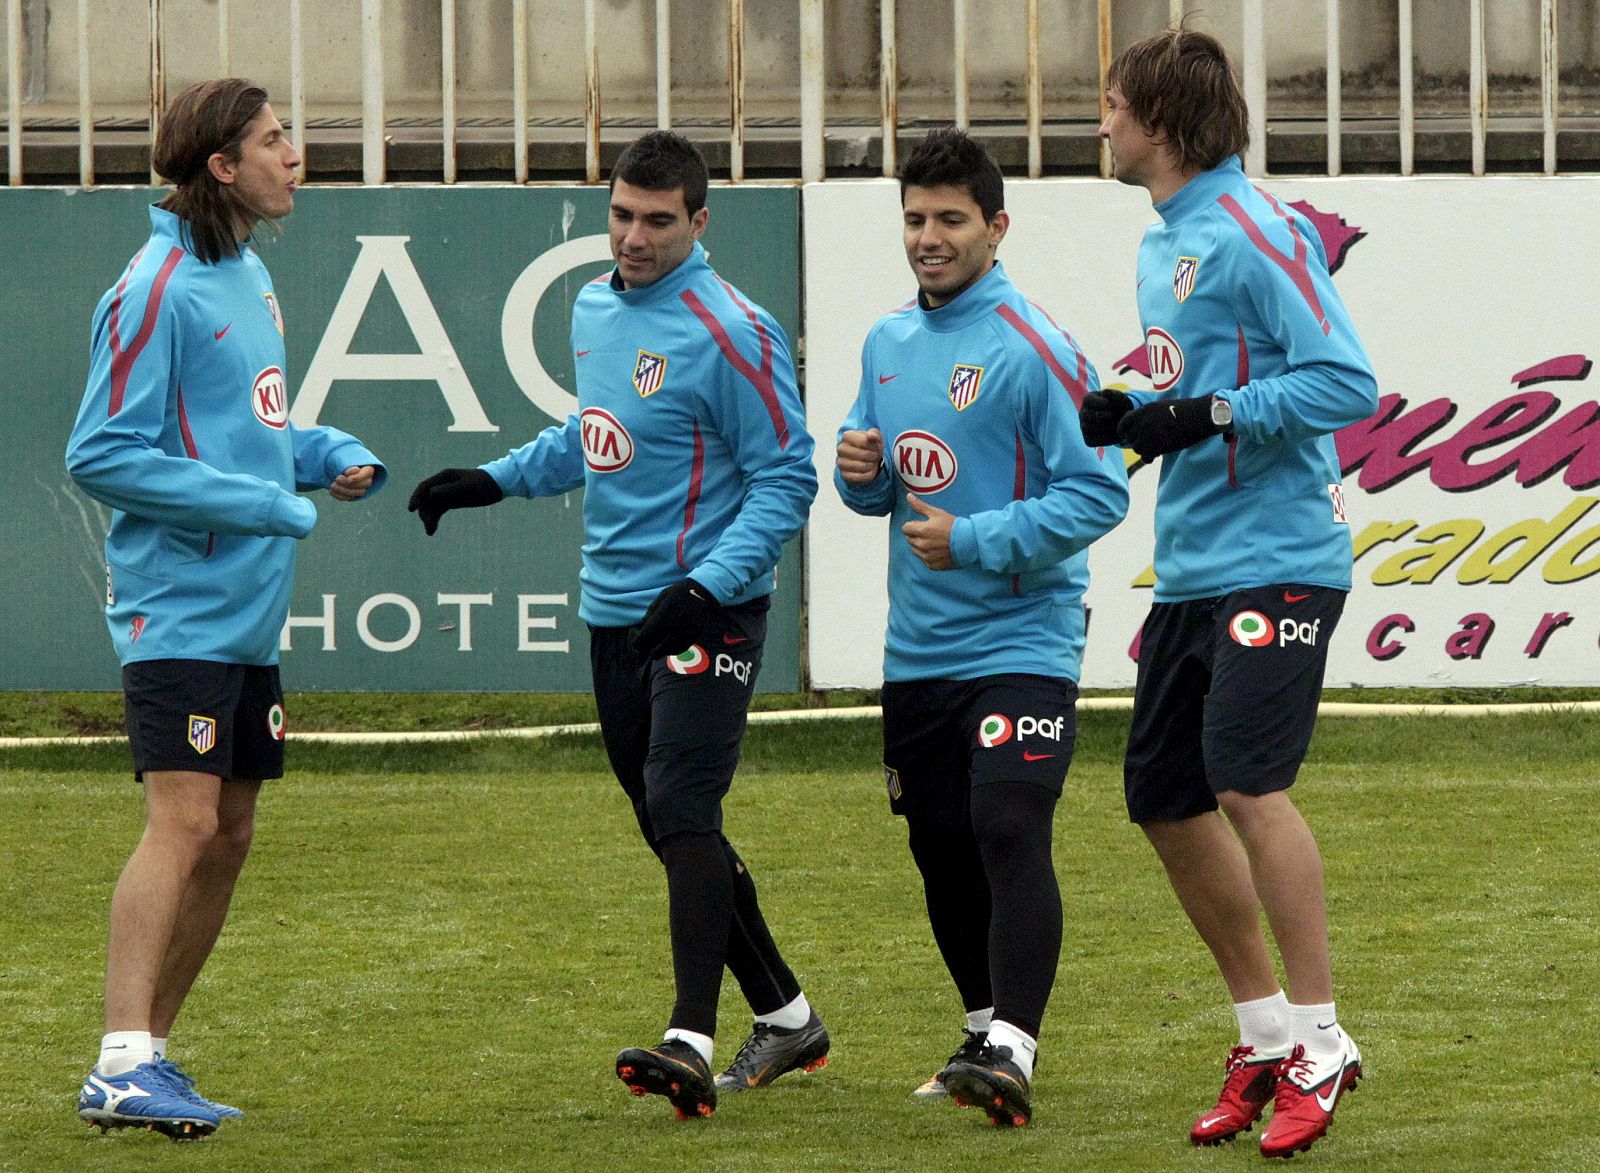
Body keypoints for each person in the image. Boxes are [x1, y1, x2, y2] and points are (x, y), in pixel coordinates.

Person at [409, 131, 825, 1121]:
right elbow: (595, 437)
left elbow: (787, 477)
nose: (634, 237)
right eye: (622, 215)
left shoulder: (734, 330)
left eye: (658, 221)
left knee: (680, 803)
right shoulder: (596, 307)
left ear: (699, 221)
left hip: (708, 611)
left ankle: (689, 1038)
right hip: (616, 610)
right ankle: (789, 1016)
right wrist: (493, 480)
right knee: (667, 822)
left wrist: (707, 585)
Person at [65, 78, 385, 1139]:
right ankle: (120, 1056)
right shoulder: (154, 287)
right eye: (274, 140)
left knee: (231, 829)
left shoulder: (244, 271)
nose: (294, 156)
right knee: (186, 820)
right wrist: (262, 504)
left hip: (247, 607)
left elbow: (250, 431)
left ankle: (144, 1059)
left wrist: (323, 453)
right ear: (221, 165)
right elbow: (102, 453)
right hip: (178, 603)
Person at [1088, 28, 1379, 1159]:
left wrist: (1205, 415)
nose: (1102, 123)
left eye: (1113, 105)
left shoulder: (1256, 229)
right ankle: (1262, 1033)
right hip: (1196, 563)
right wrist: (1130, 410)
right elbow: (1197, 386)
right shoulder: (1164, 239)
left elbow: (1344, 381)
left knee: (1250, 785)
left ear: (1160, 122)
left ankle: (1322, 1037)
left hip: (1281, 554)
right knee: (1163, 796)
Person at [834, 128, 1129, 1128]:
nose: (929, 237)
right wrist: (860, 475)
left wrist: (974, 540)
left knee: (1008, 824)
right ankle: (978, 1030)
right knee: (940, 844)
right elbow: (880, 489)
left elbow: (1098, 492)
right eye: (915, 218)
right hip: (918, 649)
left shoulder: (1035, 345)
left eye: (951, 219)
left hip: (1022, 638)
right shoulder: (885, 343)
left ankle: (1014, 1044)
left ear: (996, 227)